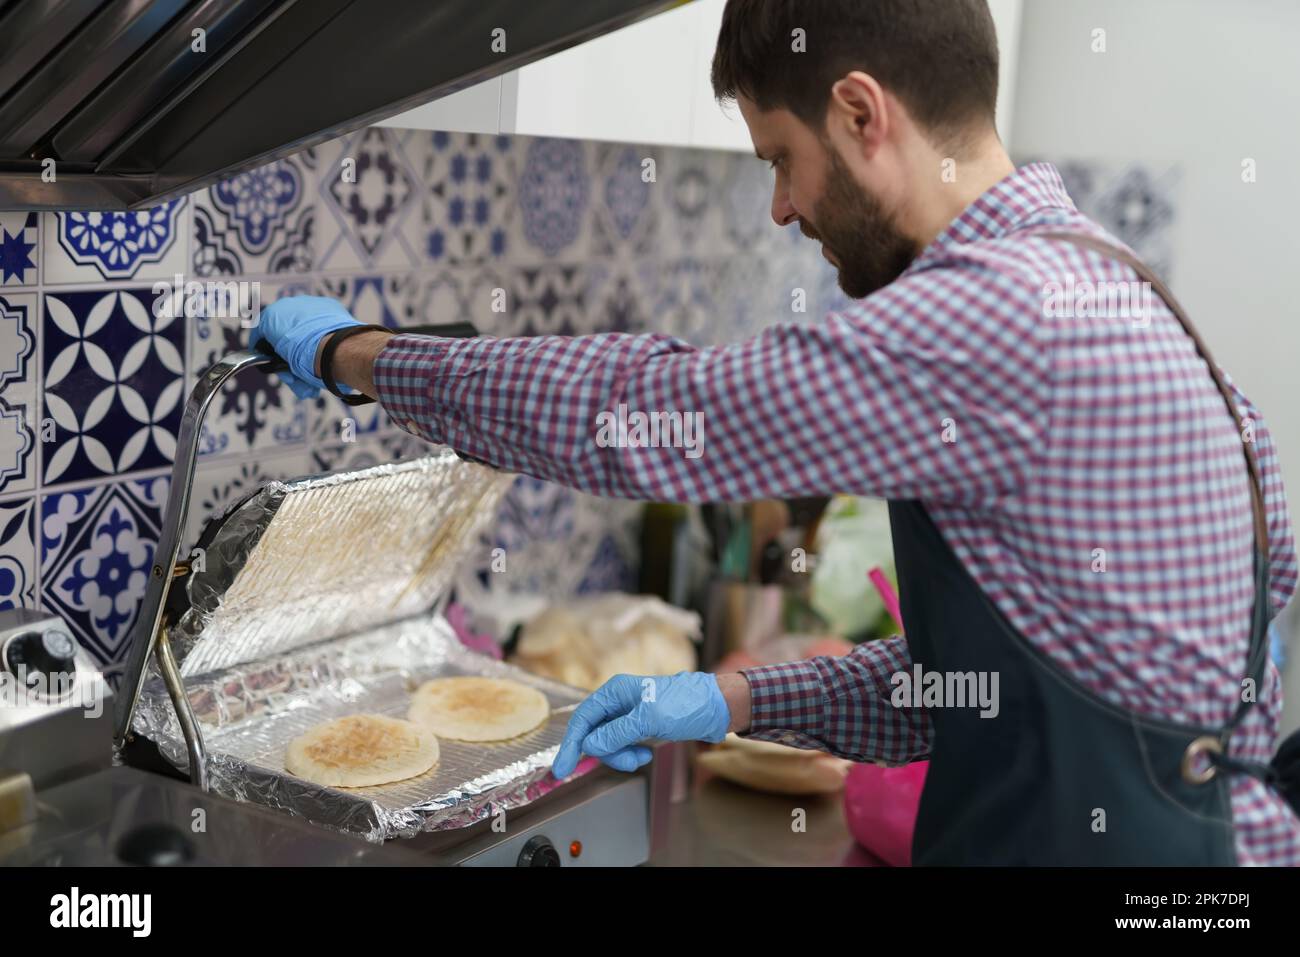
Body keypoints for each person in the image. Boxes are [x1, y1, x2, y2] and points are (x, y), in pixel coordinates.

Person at [251, 0, 1298, 864]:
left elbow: (648, 414)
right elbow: (982, 696)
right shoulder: (1107, 277)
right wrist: (732, 695)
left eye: (778, 159)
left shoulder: (995, 314)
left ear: (859, 113)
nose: (782, 209)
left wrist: (361, 355)